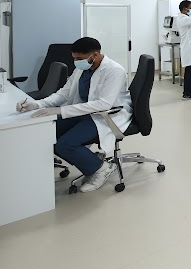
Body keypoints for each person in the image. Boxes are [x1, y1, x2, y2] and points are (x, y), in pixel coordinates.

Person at [16, 37, 132, 193]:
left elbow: (104, 104)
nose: (76, 62)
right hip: (83, 111)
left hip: (107, 116)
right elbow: (63, 93)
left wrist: (61, 111)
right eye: (74, 58)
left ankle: (101, 168)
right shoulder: (81, 69)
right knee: (47, 134)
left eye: (79, 59)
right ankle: (91, 162)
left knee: (65, 145)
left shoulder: (115, 70)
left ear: (95, 55)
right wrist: (38, 104)